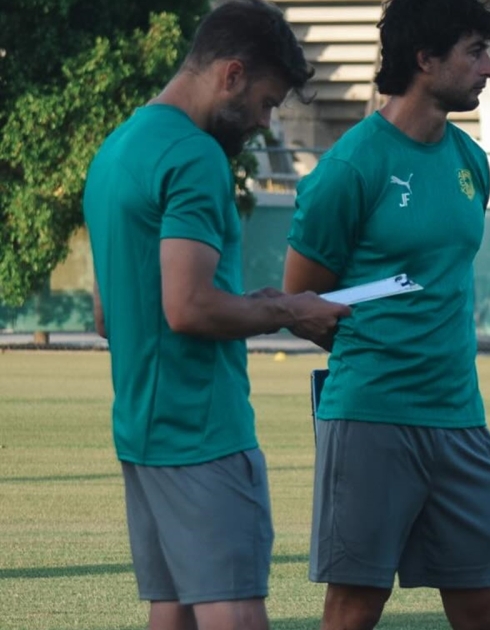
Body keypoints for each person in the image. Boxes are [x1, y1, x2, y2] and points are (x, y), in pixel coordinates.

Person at [83, 2, 350, 629]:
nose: (264, 122)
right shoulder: (196, 157)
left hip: (142, 433)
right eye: (266, 102)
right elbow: (187, 307)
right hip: (203, 434)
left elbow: (107, 315)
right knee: (233, 609)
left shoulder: (117, 149)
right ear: (231, 74)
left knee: (173, 608)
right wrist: (290, 309)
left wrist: (256, 302)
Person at [281, 1, 490, 628]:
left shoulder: (471, 162)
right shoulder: (351, 167)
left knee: (481, 606)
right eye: (474, 52)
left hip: (461, 418)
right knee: (354, 607)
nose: (489, 69)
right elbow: (302, 303)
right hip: (370, 418)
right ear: (425, 58)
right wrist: (380, 357)